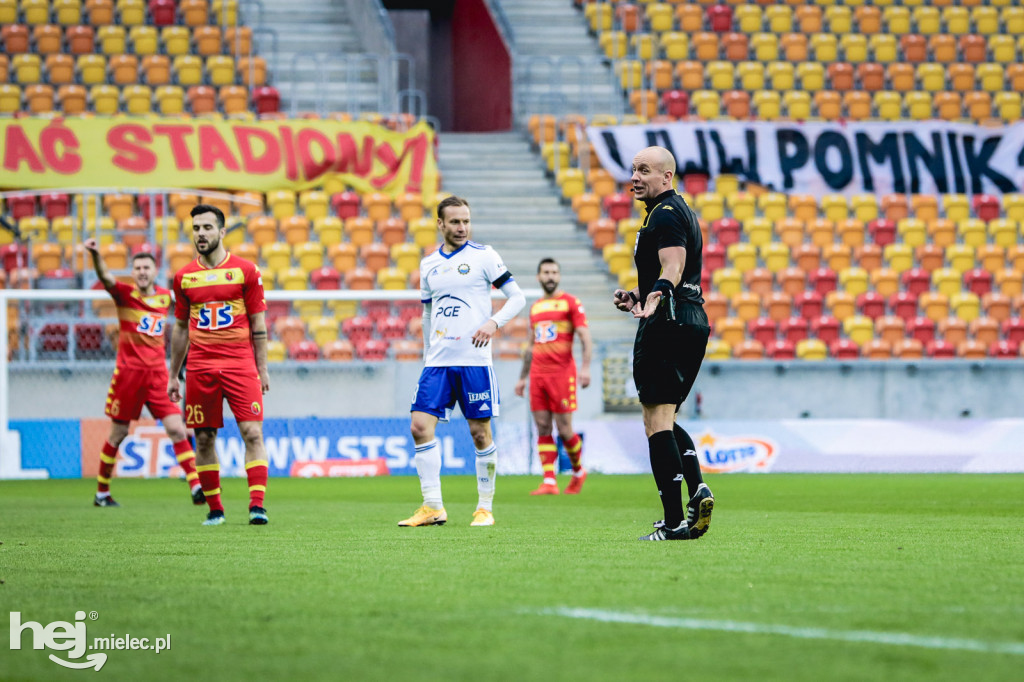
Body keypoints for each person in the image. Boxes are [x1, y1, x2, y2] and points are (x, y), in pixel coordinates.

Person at [400, 196, 526, 527]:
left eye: (466, 221)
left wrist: (493, 323)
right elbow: (428, 311)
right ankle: (432, 507)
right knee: (419, 427)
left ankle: (484, 507)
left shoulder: (484, 256)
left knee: (480, 434)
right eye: (455, 222)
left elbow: (518, 297)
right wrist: (428, 351)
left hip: (474, 361)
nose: (462, 227)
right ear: (440, 224)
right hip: (438, 362)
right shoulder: (428, 264)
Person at [612, 146, 714, 541]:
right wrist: (638, 298)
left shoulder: (666, 214)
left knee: (655, 421)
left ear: (666, 177)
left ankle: (672, 523)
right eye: (634, 169)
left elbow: (674, 264)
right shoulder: (679, 211)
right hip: (688, 317)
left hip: (669, 320)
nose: (635, 177)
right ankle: (697, 487)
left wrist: (655, 296)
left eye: (645, 171)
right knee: (665, 418)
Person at [167, 204, 271, 527]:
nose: (201, 234)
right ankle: (215, 510)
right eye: (196, 228)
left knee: (252, 432)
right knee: (204, 438)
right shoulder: (183, 277)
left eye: (207, 228)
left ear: (222, 232)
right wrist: (173, 374)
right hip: (200, 368)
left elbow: (259, 325)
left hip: (240, 365)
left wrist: (262, 368)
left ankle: (257, 507)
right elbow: (181, 329)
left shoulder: (245, 271)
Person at [84, 239, 204, 508]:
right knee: (118, 433)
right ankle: (102, 492)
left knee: (176, 428)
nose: (141, 271)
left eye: (146, 267)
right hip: (128, 375)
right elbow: (105, 276)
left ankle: (196, 486)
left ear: (154, 270)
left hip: (158, 375)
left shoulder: (165, 296)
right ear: (133, 272)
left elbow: (187, 315)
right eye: (137, 267)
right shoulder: (124, 295)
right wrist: (95, 254)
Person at [514, 258, 593, 495]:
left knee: (565, 428)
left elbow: (585, 336)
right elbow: (530, 345)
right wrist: (522, 377)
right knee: (542, 425)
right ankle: (549, 481)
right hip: (538, 374)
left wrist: (586, 367)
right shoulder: (536, 307)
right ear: (538, 277)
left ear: (559, 276)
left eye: (554, 272)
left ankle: (578, 471)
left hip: (562, 373)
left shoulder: (571, 303)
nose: (550, 276)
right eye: (546, 272)